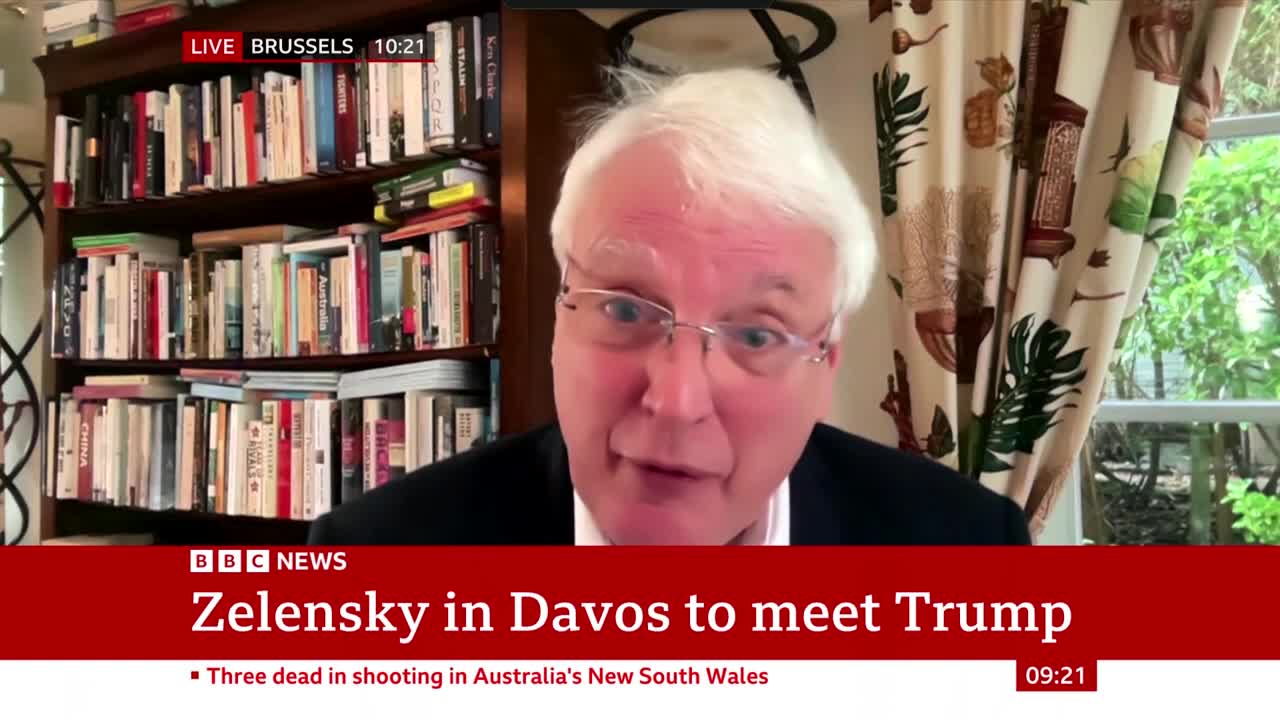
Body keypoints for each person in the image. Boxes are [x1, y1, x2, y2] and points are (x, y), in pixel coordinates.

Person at [307, 64, 1032, 546]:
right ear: (559, 319)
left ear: (825, 367)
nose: (677, 400)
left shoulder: (968, 547)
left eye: (756, 333)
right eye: (625, 310)